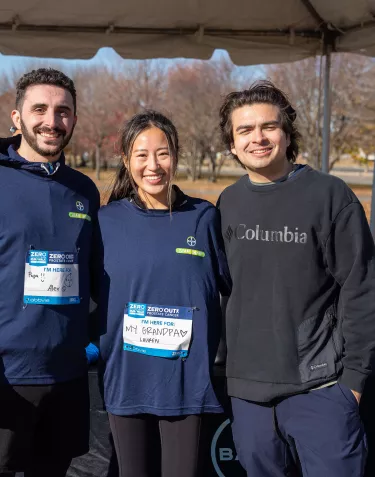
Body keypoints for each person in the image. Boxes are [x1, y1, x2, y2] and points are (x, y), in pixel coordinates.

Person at [217, 80, 375, 477]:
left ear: (287, 134)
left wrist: (352, 383)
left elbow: (362, 289)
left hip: (321, 392)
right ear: (232, 145)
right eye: (245, 130)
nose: (258, 138)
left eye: (268, 126)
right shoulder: (228, 203)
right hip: (248, 395)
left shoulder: (330, 196)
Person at [96, 110, 231, 477]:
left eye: (163, 153)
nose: (153, 165)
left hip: (186, 385)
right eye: (141, 155)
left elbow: (236, 288)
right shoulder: (105, 222)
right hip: (127, 380)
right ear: (126, 160)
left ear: (176, 156)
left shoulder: (204, 218)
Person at [0, 68, 100, 477]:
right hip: (7, 374)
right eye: (39, 109)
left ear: (74, 119)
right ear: (16, 117)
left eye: (63, 111)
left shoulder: (84, 190)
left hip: (67, 374)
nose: (51, 121)